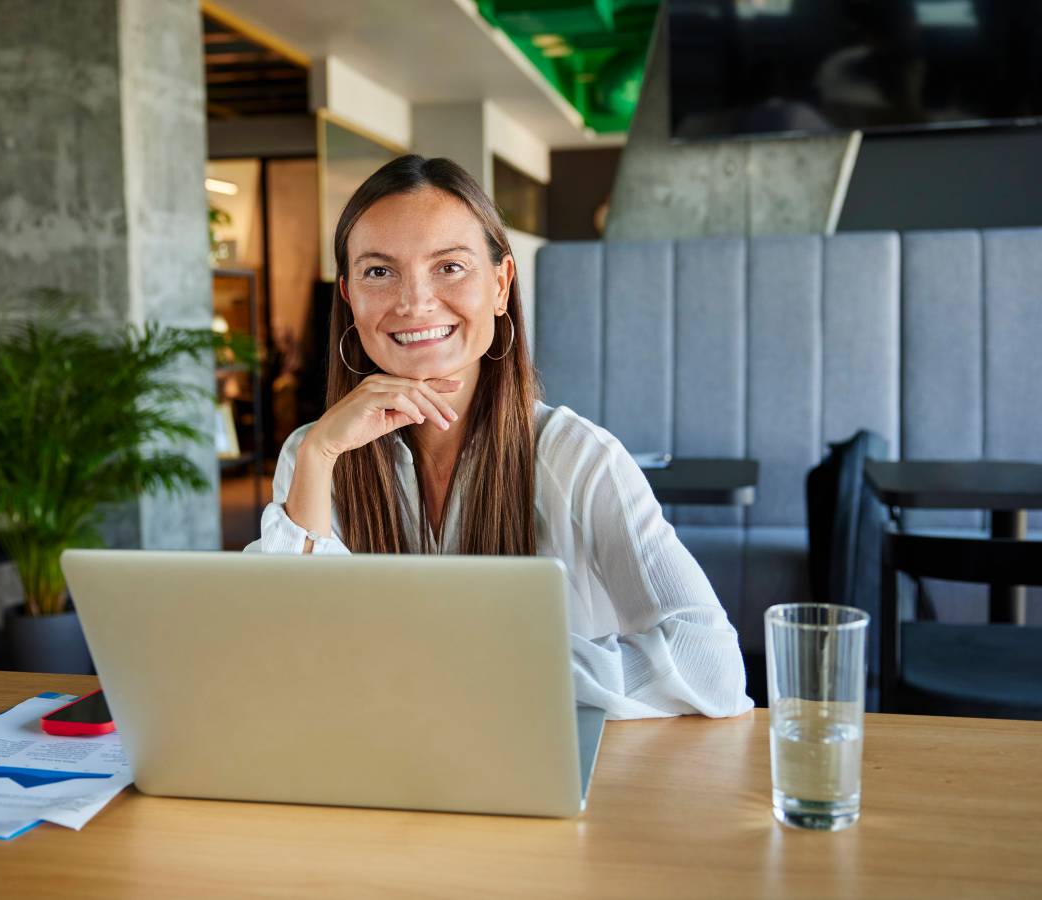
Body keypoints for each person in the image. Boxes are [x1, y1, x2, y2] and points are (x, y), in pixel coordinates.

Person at [244, 155, 752, 719]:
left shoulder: (577, 457)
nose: (414, 303)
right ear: (349, 298)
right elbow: (294, 655)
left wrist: (481, 668)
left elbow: (712, 666)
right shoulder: (315, 454)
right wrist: (319, 453)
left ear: (501, 284)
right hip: (380, 776)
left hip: (545, 778)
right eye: (379, 272)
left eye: (449, 267)